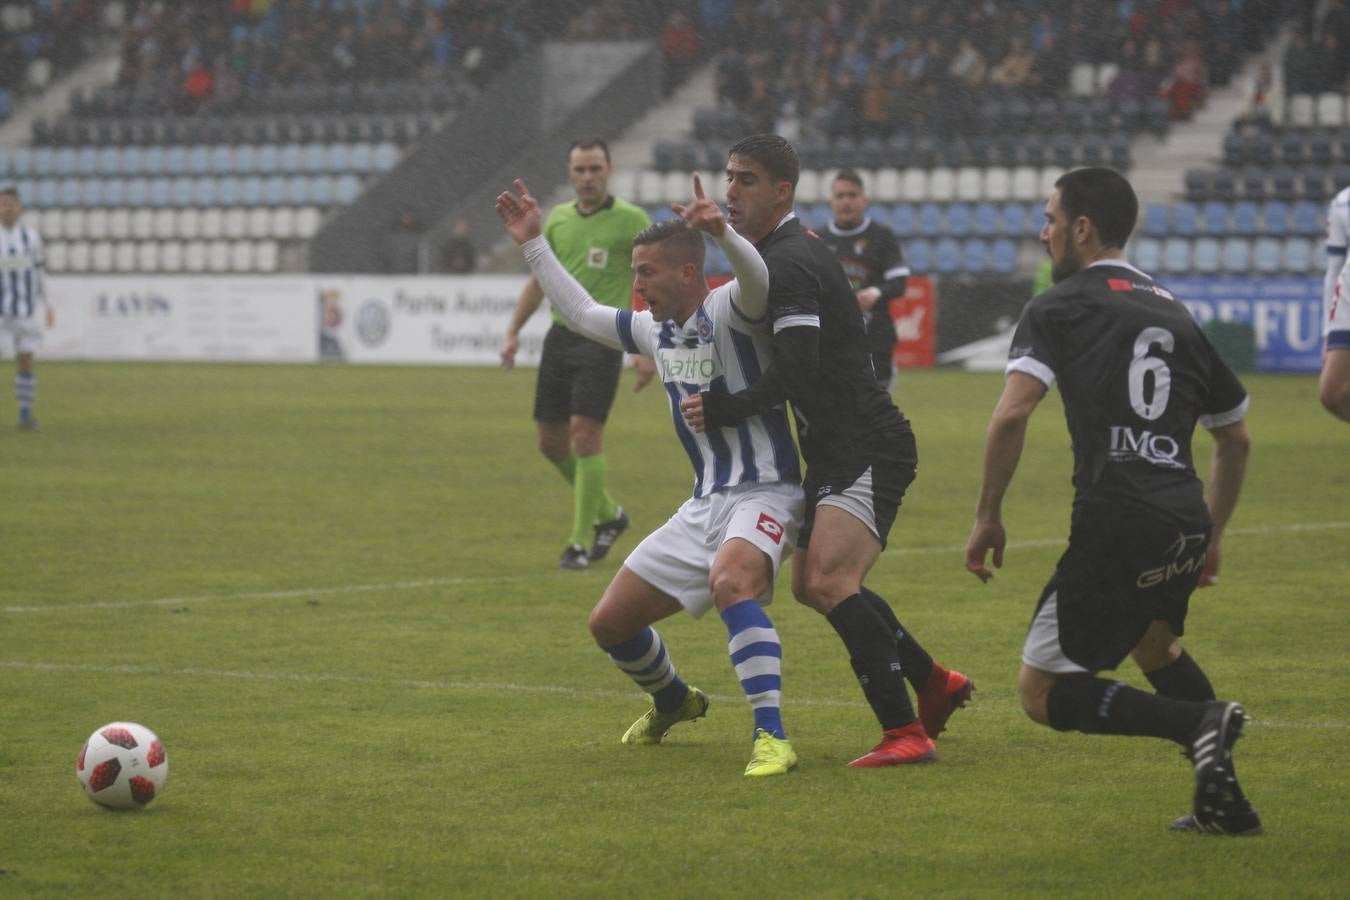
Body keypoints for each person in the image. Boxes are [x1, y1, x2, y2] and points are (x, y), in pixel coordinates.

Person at [963, 167, 1261, 836]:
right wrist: (1212, 531)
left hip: (1116, 516)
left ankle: (1200, 723)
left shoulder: (1058, 306)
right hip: (1182, 515)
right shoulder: (1174, 310)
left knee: (1041, 693)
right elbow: (1235, 438)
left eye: (1050, 220)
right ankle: (1227, 805)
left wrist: (987, 513)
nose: (1043, 234)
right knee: (1156, 647)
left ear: (1083, 228)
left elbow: (1012, 415)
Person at [496, 173, 802, 777]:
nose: (636, 285)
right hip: (704, 503)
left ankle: (773, 737)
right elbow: (581, 310)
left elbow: (759, 282)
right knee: (609, 623)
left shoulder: (731, 308)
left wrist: (722, 233)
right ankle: (674, 699)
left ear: (689, 273)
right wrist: (533, 243)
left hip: (767, 489)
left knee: (732, 585)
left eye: (647, 273)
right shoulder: (650, 329)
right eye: (634, 272)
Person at [682, 135, 972, 768]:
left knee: (830, 581)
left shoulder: (790, 263)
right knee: (812, 589)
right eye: (729, 176)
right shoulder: (778, 255)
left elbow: (799, 370)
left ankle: (905, 732)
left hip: (867, 443)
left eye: (747, 180)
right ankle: (933, 682)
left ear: (782, 191)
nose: (732, 189)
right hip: (838, 448)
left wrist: (724, 406)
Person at [499, 139, 654, 570]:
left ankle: (579, 542)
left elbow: (645, 282)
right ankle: (610, 515)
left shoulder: (632, 220)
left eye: (594, 169)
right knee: (551, 444)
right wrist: (513, 331)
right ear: (570, 173)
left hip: (603, 340)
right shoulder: (559, 220)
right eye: (580, 170)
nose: (587, 178)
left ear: (609, 170)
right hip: (560, 337)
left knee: (585, 435)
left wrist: (643, 348)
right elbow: (539, 281)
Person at [817, 169, 911, 391]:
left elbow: (899, 284)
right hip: (832, 342)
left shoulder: (882, 237)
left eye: (852, 195)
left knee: (876, 416)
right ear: (831, 201)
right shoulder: (818, 240)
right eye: (840, 196)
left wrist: (875, 293)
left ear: (864, 200)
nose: (846, 202)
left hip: (875, 340)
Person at [0, 187, 51, 431]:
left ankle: (25, 415)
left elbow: (40, 272)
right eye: (3, 204)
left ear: (19, 209)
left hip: (26, 310)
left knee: (25, 360)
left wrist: (48, 304)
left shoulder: (31, 238)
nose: (7, 209)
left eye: (11, 204)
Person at [1321, 182, 1350, 422]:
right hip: (1348, 298)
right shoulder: (1343, 203)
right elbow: (1333, 270)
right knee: (1332, 394)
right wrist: (1327, 333)